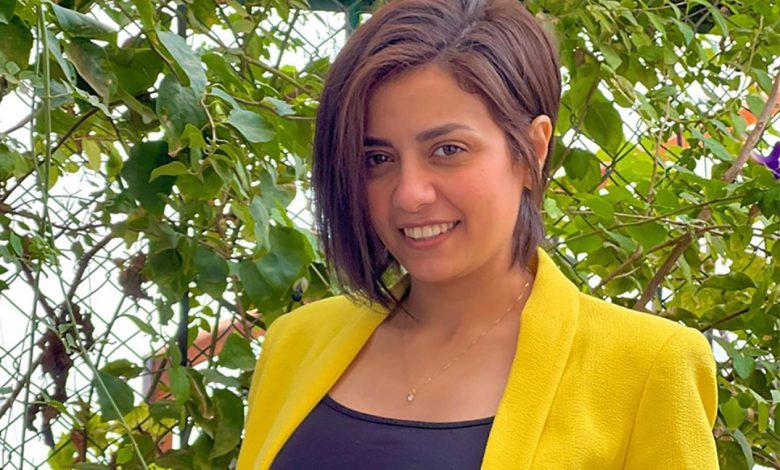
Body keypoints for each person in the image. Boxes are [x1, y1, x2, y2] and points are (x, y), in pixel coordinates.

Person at [237, 0, 719, 468]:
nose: (410, 194)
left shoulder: (647, 367)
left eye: (448, 150)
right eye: (378, 159)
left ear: (532, 150)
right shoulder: (294, 344)